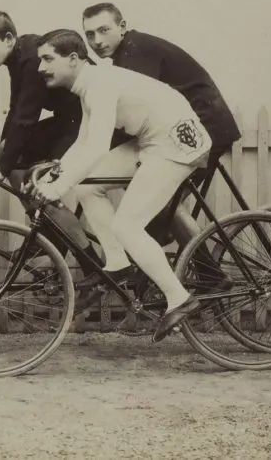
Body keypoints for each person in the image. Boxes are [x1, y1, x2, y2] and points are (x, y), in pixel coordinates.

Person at [32, 29, 213, 341]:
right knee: (88, 185)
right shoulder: (90, 84)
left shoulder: (99, 84)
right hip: (151, 140)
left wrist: (58, 189)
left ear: (73, 59)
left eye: (48, 59)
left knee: (127, 226)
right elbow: (83, 141)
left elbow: (98, 146)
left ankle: (179, 298)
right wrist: (57, 174)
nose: (40, 68)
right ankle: (117, 262)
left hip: (174, 143)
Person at [79, 2, 241, 287]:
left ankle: (205, 276)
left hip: (202, 130)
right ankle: (200, 273)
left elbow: (130, 115)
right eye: (90, 35)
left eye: (103, 30)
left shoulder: (135, 52)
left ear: (123, 27)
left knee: (161, 204)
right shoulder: (126, 55)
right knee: (160, 204)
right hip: (185, 132)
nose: (97, 41)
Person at [0, 10, 104, 270]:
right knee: (15, 160)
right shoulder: (18, 56)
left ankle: (90, 264)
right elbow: (17, 107)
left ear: (8, 39)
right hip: (69, 120)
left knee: (42, 183)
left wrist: (0, 168)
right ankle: (48, 232)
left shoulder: (29, 58)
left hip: (85, 122)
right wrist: (1, 150)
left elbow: (26, 118)